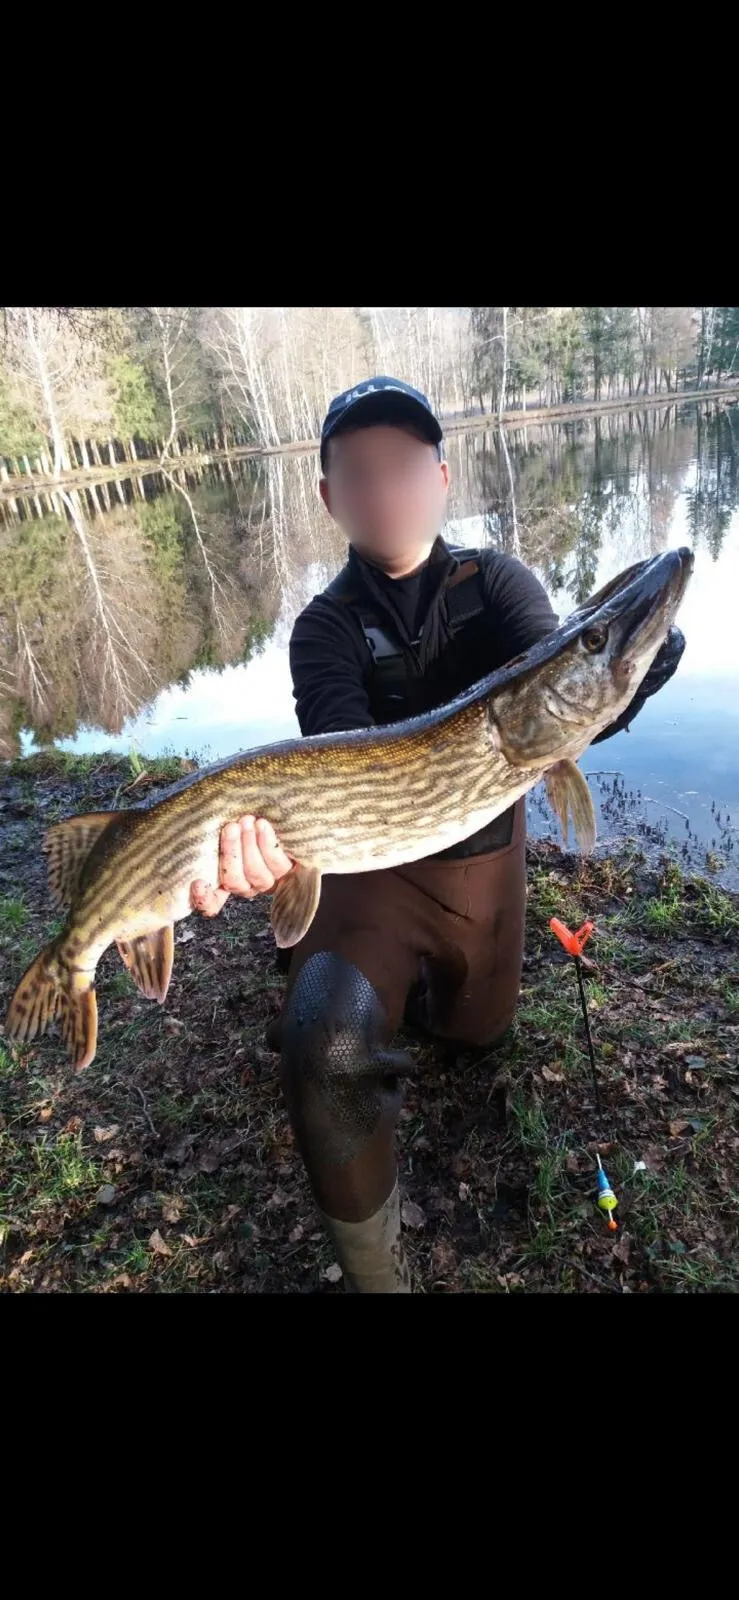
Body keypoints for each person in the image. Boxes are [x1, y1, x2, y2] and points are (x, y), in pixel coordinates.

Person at [191, 377, 685, 1293]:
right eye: (360, 473)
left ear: (441, 476)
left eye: (404, 467)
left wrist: (615, 685)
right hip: (368, 871)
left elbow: (550, 704)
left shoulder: (499, 583)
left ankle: (428, 995)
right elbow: (328, 779)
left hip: (480, 869)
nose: (385, 489)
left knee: (477, 1037)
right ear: (331, 496)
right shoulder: (322, 628)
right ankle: (379, 1275)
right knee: (323, 1039)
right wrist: (261, 852)